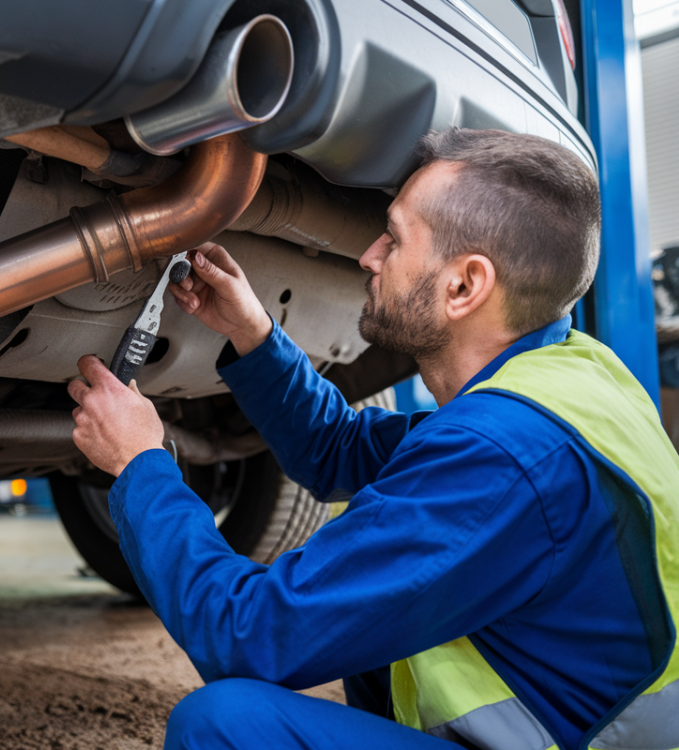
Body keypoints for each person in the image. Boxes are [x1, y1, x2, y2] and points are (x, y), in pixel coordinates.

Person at [67, 129, 679, 750]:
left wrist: (141, 465)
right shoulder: (566, 378)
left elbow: (247, 639)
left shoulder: (504, 456)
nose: (369, 255)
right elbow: (343, 451)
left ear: (465, 286)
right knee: (361, 607)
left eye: (395, 237)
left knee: (225, 726)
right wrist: (254, 335)